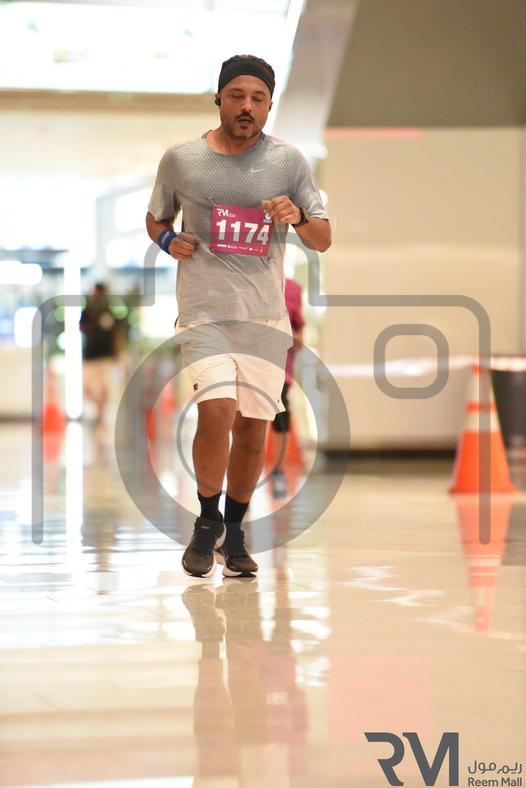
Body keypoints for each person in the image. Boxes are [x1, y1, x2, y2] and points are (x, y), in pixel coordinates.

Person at [146, 54, 331, 579]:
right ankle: (207, 523)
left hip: (264, 319)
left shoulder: (288, 163)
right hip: (203, 313)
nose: (247, 106)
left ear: (269, 105)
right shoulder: (182, 160)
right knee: (217, 411)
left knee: (254, 429)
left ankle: (236, 532)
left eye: (258, 98)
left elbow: (323, 237)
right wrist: (168, 239)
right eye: (237, 95)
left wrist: (298, 216)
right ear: (219, 98)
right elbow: (156, 217)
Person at [271, 277, 305, 499]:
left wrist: (290, 339)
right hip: (250, 363)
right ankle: (242, 484)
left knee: (280, 416)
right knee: (245, 418)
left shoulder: (292, 289)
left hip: (282, 368)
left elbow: (300, 333)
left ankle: (278, 472)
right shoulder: (246, 277)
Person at [79, 282, 117, 426]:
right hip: (90, 356)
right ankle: (98, 410)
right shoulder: (87, 312)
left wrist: (116, 354)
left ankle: (101, 414)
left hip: (105, 357)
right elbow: (81, 327)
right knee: (87, 388)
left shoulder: (108, 312)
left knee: (104, 387)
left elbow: (115, 334)